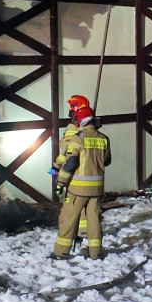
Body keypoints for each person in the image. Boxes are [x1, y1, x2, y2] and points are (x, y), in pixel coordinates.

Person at [52, 105, 111, 259]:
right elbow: (107, 161)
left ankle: (60, 252)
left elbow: (70, 164)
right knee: (94, 220)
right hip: (97, 190)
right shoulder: (104, 139)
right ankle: (95, 253)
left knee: (68, 219)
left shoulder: (78, 138)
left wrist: (60, 183)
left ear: (80, 120)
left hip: (77, 190)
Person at [51, 94, 91, 239]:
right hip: (84, 171)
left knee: (75, 204)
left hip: (74, 172)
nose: (69, 109)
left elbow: (69, 152)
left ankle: (77, 231)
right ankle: (83, 231)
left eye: (71, 106)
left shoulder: (73, 127)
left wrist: (58, 167)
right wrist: (56, 165)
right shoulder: (85, 127)